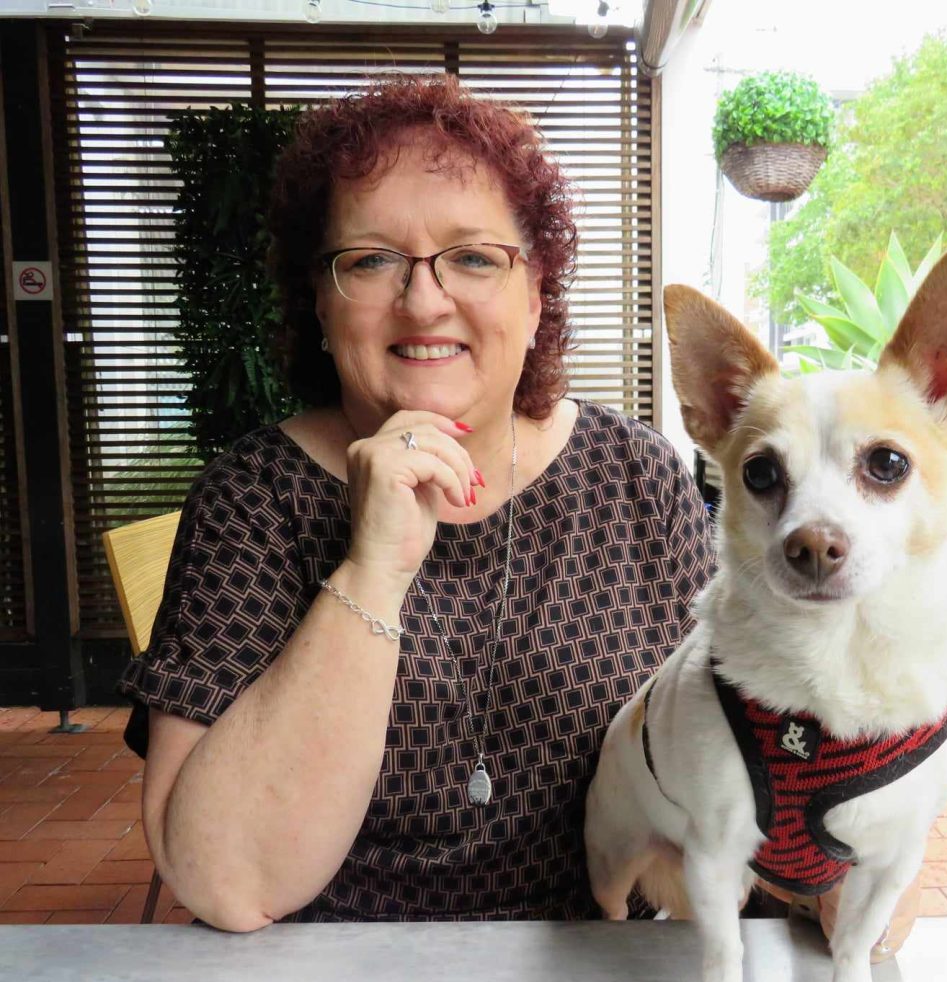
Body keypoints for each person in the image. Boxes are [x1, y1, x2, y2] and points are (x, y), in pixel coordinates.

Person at [118, 74, 714, 931]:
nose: (425, 298)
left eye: (474, 256)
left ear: (537, 290)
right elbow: (224, 880)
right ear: (319, 303)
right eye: (369, 260)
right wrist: (372, 567)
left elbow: (738, 758)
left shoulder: (640, 480)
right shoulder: (253, 498)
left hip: (603, 968)